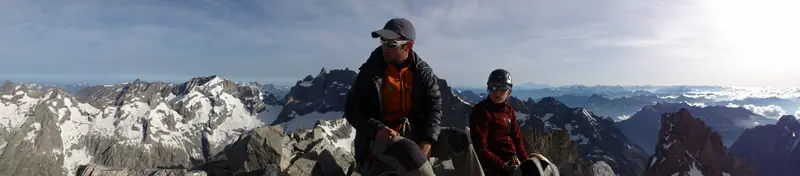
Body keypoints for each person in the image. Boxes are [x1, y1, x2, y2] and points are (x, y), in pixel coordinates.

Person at [344, 18, 485, 176]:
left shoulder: (421, 72)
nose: (384, 47)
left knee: (461, 139)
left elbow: (435, 106)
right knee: (411, 152)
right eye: (383, 41)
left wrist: (427, 139)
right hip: (381, 139)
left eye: (391, 44)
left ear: (408, 46)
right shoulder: (370, 72)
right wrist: (376, 129)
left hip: (413, 133)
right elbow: (352, 109)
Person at [468, 69, 559, 176]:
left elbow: (517, 140)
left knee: (548, 169)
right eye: (494, 87)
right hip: (495, 167)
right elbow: (481, 149)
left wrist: (525, 161)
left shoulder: (509, 110)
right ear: (488, 88)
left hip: (512, 162)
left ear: (509, 91)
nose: (497, 92)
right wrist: (505, 167)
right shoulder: (481, 111)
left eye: (503, 88)